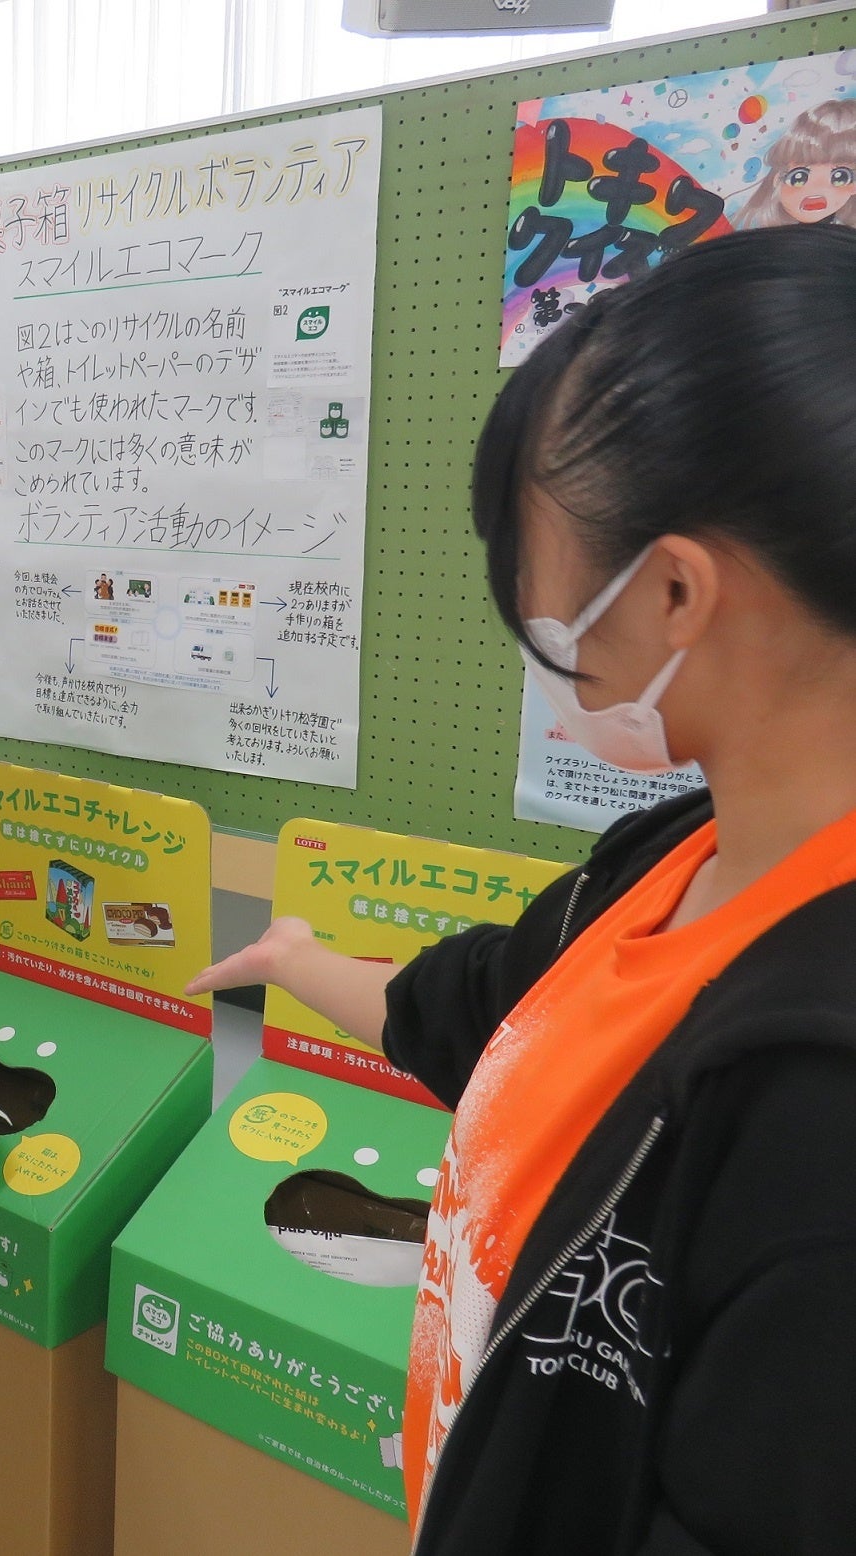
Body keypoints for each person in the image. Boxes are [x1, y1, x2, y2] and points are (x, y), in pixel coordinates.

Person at [189, 225, 856, 1554]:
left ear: (673, 591)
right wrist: (294, 958)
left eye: (536, 593)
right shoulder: (670, 855)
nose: (534, 640)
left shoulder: (815, 1095)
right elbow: (478, 1014)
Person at [735, 98, 856, 229]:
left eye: (840, 177)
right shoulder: (766, 236)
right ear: (777, 180)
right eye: (799, 177)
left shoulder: (844, 235)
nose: (817, 188)